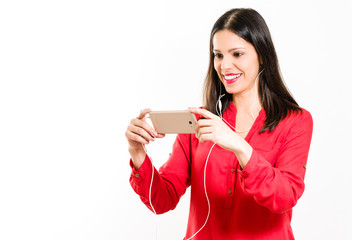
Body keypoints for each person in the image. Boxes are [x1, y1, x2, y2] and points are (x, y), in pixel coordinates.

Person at [125, 8, 313, 240]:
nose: (224, 66)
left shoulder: (296, 120)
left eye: (237, 54)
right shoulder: (199, 122)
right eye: (218, 55)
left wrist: (239, 146)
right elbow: (161, 201)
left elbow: (284, 197)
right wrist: (137, 152)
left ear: (262, 55)